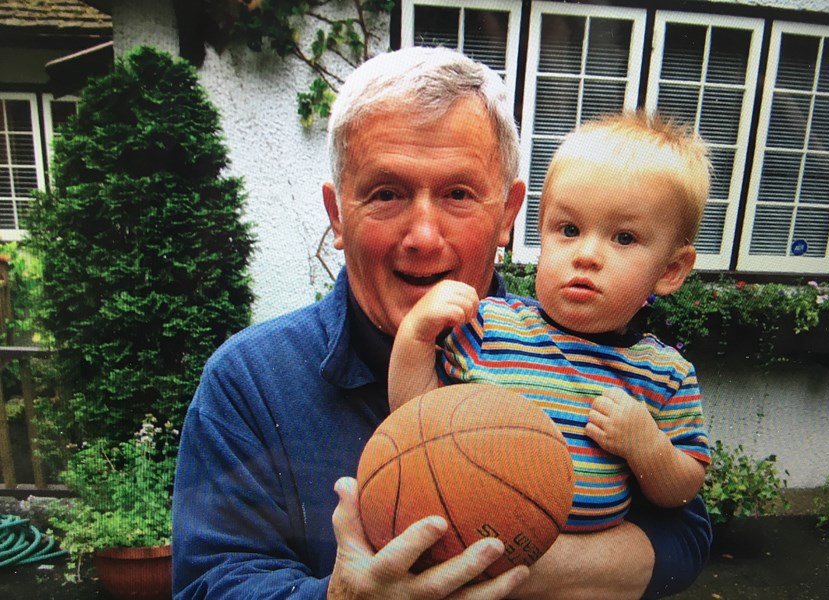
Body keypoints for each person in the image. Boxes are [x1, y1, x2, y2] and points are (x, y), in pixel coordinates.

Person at [172, 46, 713, 600]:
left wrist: (515, 563)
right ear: (337, 217)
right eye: (387, 194)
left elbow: (686, 536)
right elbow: (209, 583)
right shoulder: (249, 382)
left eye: (458, 194)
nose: (424, 237)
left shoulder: (593, 353)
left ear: (507, 214)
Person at [389, 112, 712, 535]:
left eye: (624, 238)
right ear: (540, 234)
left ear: (671, 269)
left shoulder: (664, 374)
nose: (587, 255)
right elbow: (413, 416)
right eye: (569, 229)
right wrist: (415, 334)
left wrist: (646, 446)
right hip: (461, 537)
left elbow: (684, 488)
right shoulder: (489, 325)